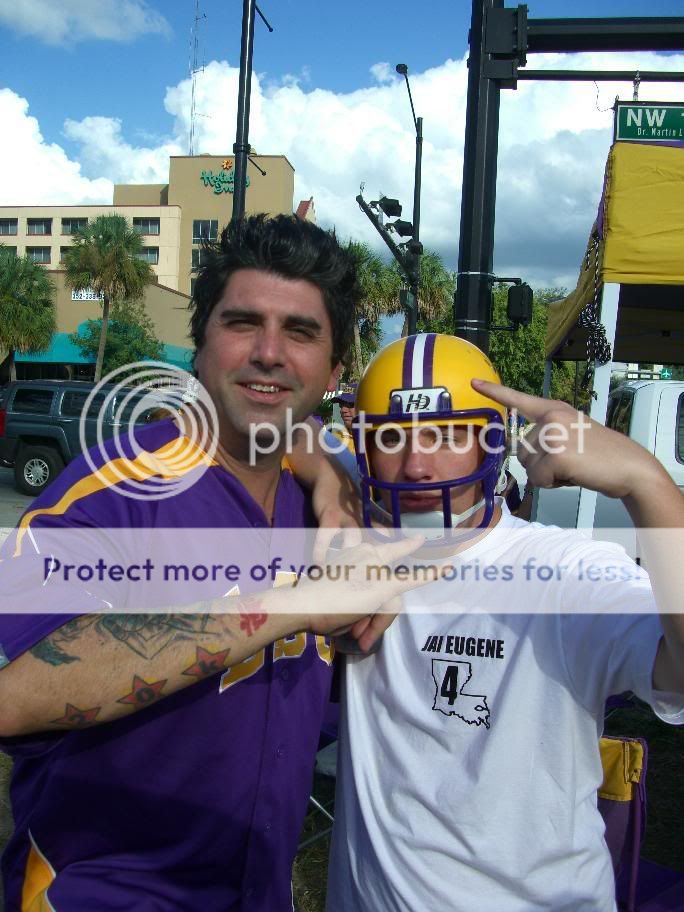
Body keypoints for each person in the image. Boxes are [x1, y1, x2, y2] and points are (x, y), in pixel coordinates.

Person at [0, 215, 431, 911]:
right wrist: (293, 604)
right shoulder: (117, 486)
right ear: (199, 346)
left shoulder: (330, 507)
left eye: (301, 332)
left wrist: (329, 475)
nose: (269, 352)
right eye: (242, 323)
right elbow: (17, 692)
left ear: (335, 370)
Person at [326, 332, 684, 912]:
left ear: (493, 444)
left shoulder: (563, 570)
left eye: (448, 435)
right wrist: (324, 477)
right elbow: (273, 431)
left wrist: (646, 483)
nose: (417, 466)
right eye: (391, 438)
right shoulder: (350, 554)